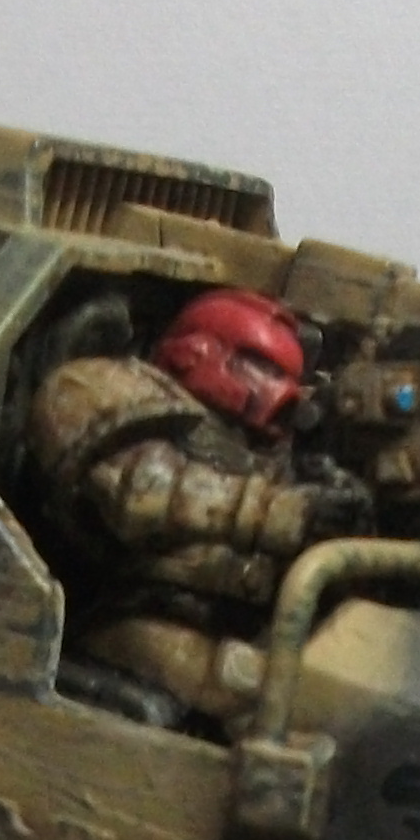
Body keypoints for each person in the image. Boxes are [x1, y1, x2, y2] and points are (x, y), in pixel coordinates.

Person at [21, 287, 371, 727]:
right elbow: (141, 494)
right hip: (132, 614)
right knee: (250, 694)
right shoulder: (101, 389)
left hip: (240, 623)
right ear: (197, 352)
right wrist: (281, 513)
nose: (282, 392)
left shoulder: (265, 450)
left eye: (286, 377)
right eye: (260, 368)